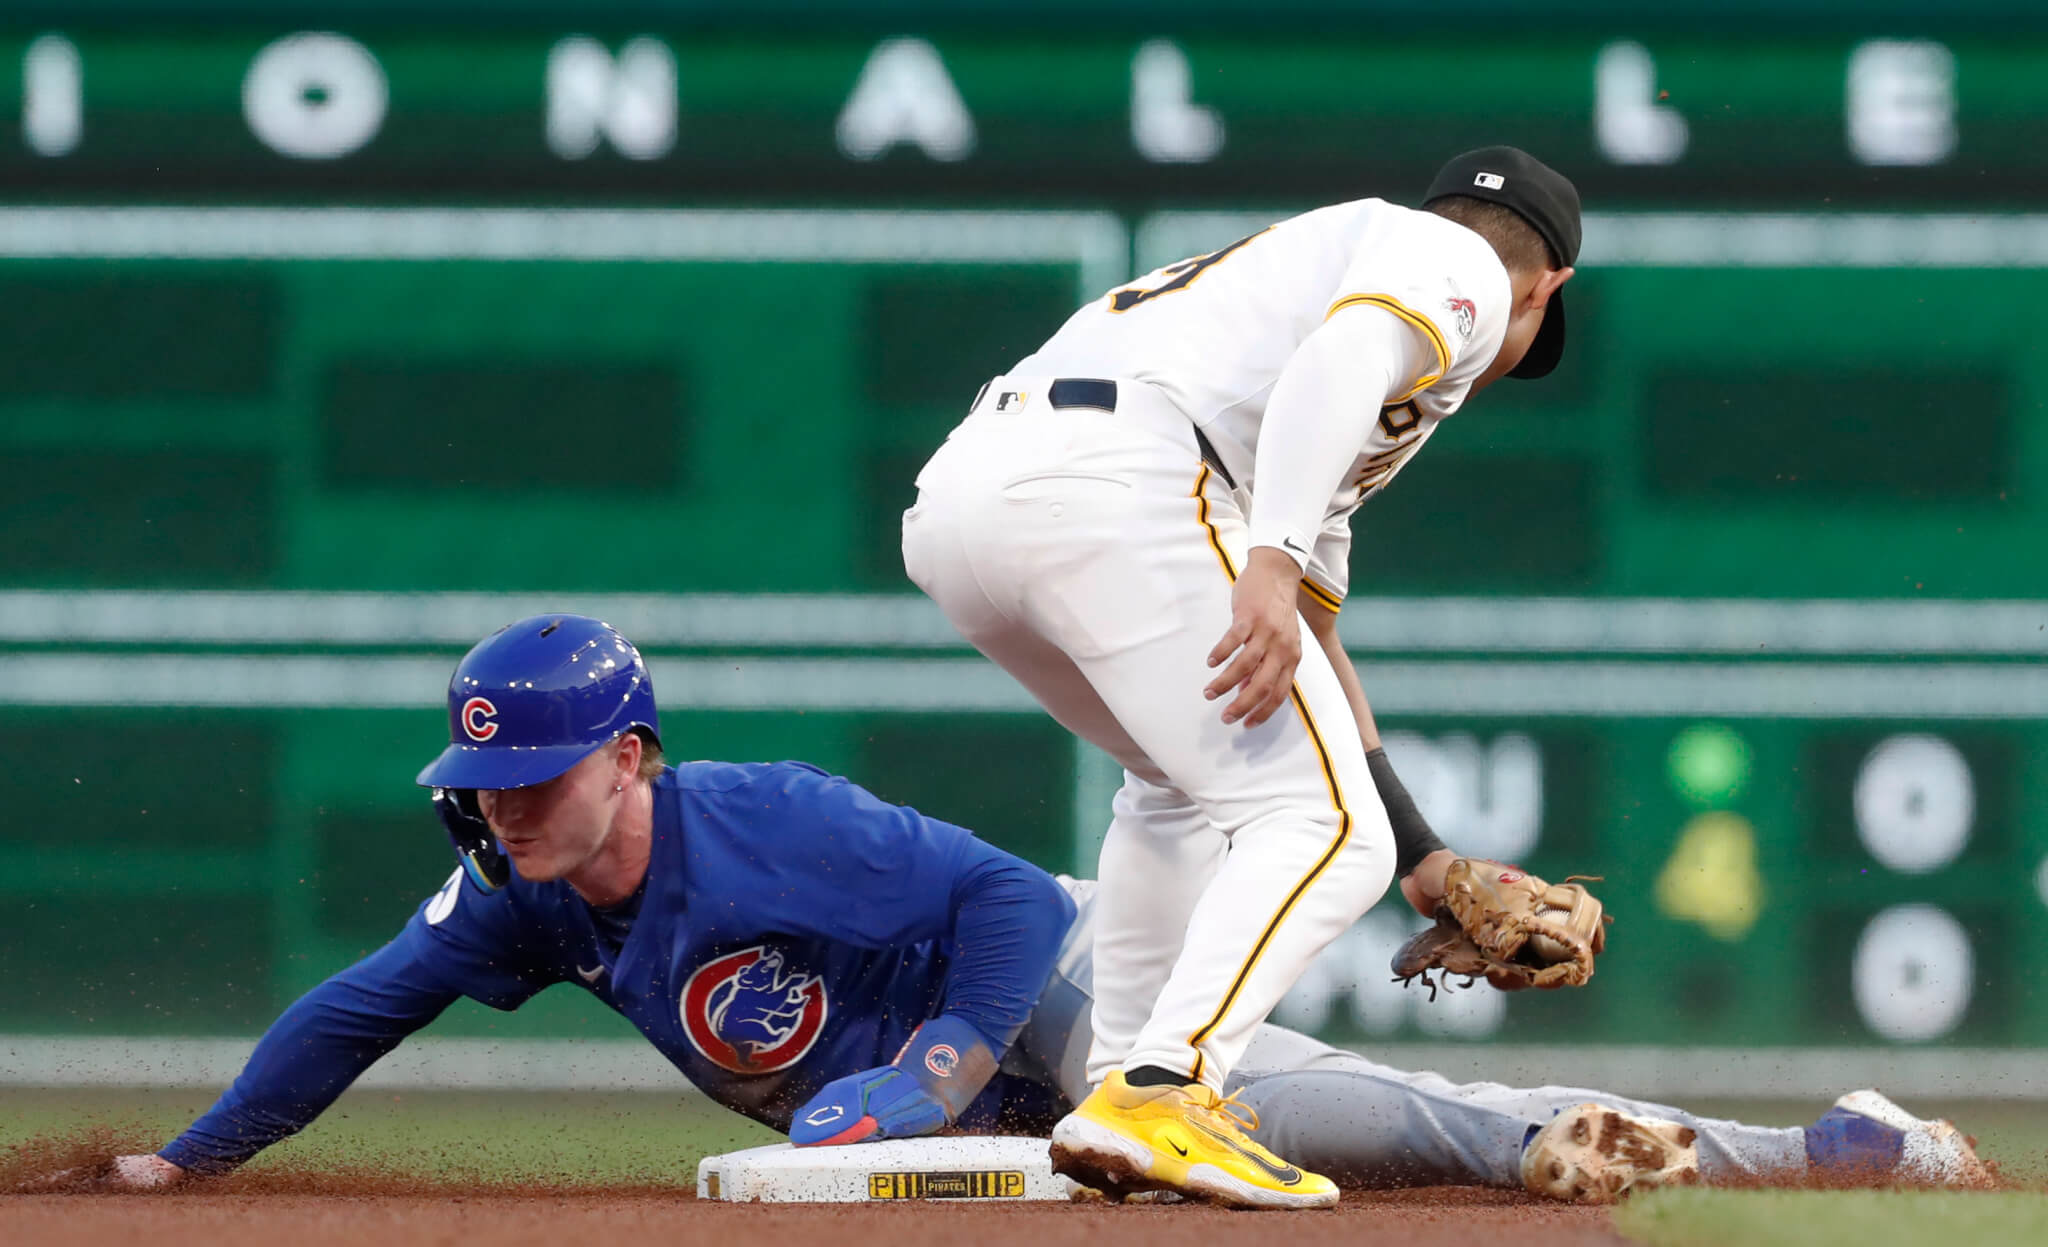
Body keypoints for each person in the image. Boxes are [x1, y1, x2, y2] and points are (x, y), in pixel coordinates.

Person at [80, 615, 1990, 1204]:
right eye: (478, 786)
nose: (495, 807)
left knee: (1374, 1128)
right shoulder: (519, 895)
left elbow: (1001, 897)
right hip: (980, 1098)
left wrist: (943, 1052)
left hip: (1066, 983)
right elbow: (352, 1005)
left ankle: (1829, 1145)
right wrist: (190, 1158)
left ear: (632, 757)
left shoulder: (768, 827)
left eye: (531, 775)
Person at [900, 146, 1583, 1205]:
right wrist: (1266, 555)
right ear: (1546, 289)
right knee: (1323, 830)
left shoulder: (1315, 348)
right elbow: (1343, 357)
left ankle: (1114, 1087)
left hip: (969, 504)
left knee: (1184, 783)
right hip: (1129, 479)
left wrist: (1426, 860)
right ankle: (1166, 1088)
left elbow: (1306, 647)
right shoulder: (1456, 268)